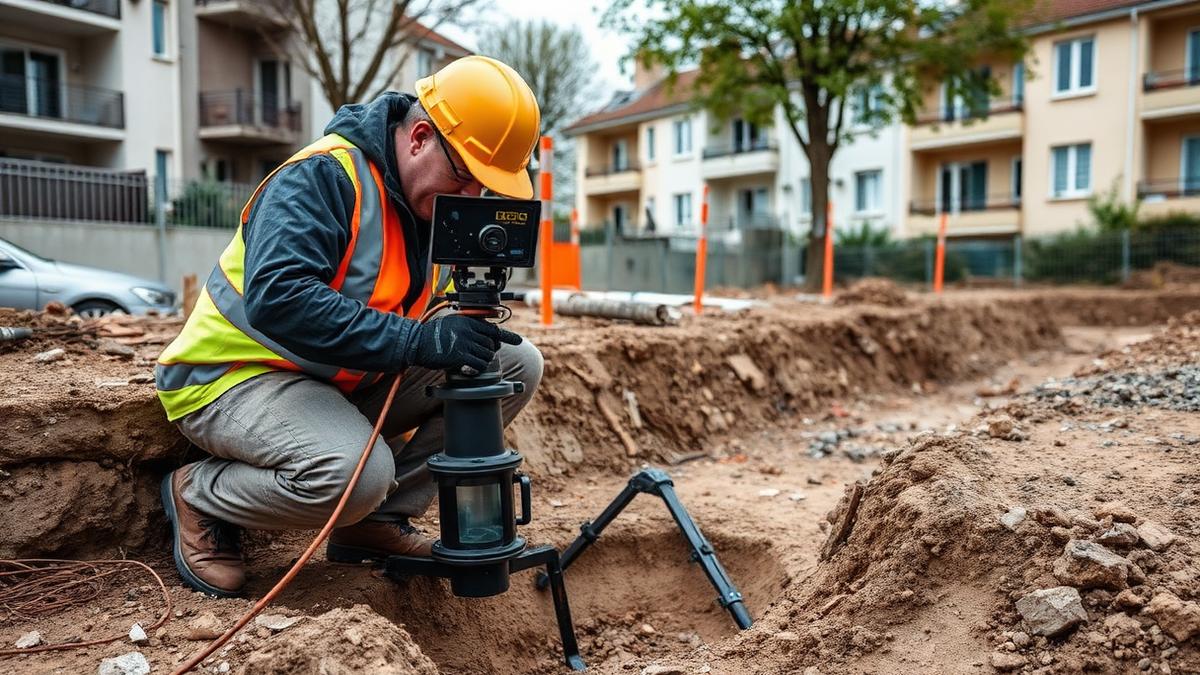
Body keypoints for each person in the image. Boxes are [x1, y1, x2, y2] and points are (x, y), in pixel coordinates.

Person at [153, 56, 542, 598]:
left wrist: (459, 323)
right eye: (465, 176)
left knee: (515, 365)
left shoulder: (429, 206)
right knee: (354, 476)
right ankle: (200, 493)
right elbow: (279, 298)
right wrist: (418, 341)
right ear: (419, 137)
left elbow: (415, 303)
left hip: (337, 379)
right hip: (234, 375)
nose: (472, 199)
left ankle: (374, 524)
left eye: (485, 187)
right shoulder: (322, 177)